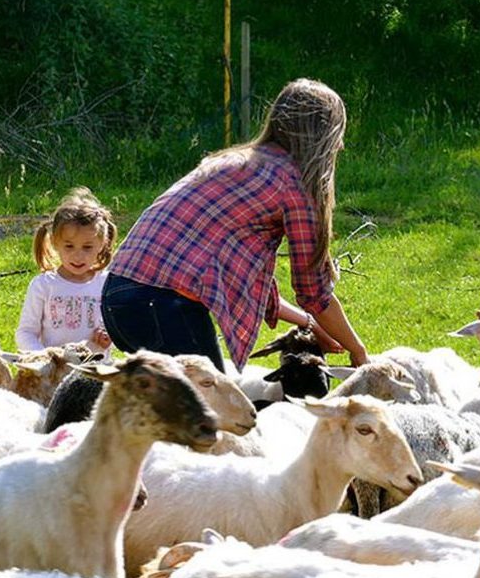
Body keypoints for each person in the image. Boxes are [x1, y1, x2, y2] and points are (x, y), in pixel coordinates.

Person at [102, 78, 368, 373]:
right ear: (324, 137)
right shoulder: (295, 185)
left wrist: (309, 324)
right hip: (163, 307)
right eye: (338, 135)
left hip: (117, 297)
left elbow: (246, 275)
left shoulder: (234, 162)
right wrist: (358, 351)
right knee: (215, 413)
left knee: (164, 414)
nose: (341, 145)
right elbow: (313, 292)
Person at [16, 187, 117, 355]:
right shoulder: (44, 285)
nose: (78, 256)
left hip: (94, 372)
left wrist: (109, 337)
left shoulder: (106, 284)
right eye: (69, 246)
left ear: (102, 244)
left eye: (87, 247)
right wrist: (43, 358)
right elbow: (26, 333)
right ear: (55, 242)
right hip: (54, 374)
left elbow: (117, 329)